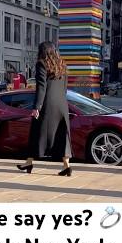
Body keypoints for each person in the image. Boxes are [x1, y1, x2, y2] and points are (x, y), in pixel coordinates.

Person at [17, 42, 72, 176]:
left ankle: (29, 162)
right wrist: (62, 102)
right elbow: (65, 87)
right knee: (62, 134)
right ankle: (66, 166)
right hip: (62, 104)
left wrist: (37, 107)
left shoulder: (42, 64)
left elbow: (41, 87)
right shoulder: (62, 64)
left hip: (47, 104)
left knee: (36, 132)